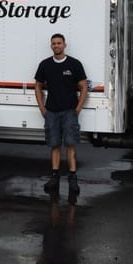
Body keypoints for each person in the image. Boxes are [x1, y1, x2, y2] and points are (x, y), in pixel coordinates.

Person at [34, 33, 88, 195]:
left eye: (59, 43)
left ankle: (73, 178)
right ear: (51, 46)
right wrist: (42, 108)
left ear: (65, 45)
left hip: (69, 112)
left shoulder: (74, 64)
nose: (56, 45)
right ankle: (55, 177)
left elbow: (83, 86)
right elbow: (37, 86)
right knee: (54, 145)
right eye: (54, 43)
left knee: (70, 145)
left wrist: (77, 108)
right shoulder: (45, 65)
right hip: (51, 111)